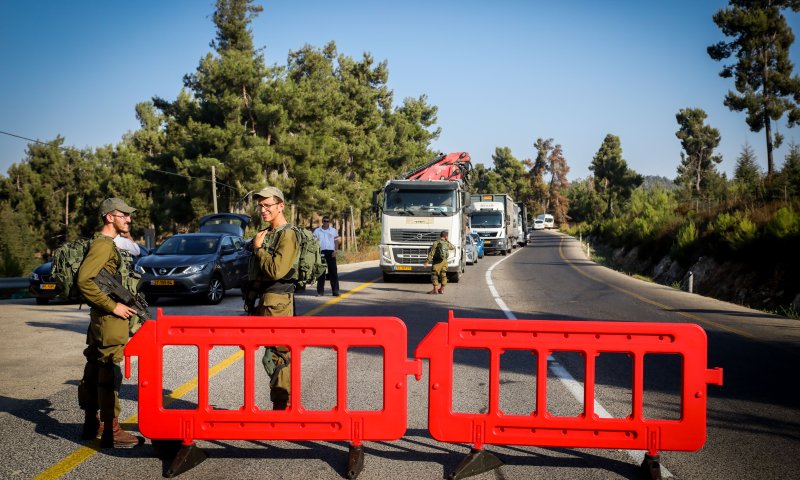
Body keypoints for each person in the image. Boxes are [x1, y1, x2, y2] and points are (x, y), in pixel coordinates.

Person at [77, 197, 141, 448]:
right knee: (109, 372)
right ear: (109, 217)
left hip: (100, 319)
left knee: (94, 366)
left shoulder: (102, 243)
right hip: (109, 319)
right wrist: (113, 306)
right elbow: (85, 281)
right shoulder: (103, 245)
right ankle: (112, 429)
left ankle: (91, 422)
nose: (129, 219)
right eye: (123, 215)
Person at [248, 186, 300, 410]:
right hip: (268, 300)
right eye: (260, 205)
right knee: (272, 353)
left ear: (281, 206)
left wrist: (258, 249)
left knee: (277, 355)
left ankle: (281, 404)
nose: (263, 209)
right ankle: (281, 401)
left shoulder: (287, 234)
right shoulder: (269, 232)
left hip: (278, 303)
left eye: (267, 205)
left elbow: (277, 270)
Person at [313, 215, 340, 296]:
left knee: (333, 272)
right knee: (321, 273)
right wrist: (316, 253)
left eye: (327, 221)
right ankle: (320, 292)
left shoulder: (333, 230)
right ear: (322, 221)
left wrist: (335, 251)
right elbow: (313, 242)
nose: (326, 222)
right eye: (324, 221)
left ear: (329, 222)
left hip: (331, 253)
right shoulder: (317, 231)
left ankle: (335, 291)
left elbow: (336, 242)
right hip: (321, 253)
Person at [423, 230, 454, 294]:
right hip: (444, 261)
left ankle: (435, 289)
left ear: (440, 236)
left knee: (434, 274)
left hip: (437, 261)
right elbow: (453, 247)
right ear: (446, 236)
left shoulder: (436, 242)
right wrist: (447, 240)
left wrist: (427, 261)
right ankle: (442, 289)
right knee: (443, 274)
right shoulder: (447, 243)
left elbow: (431, 253)